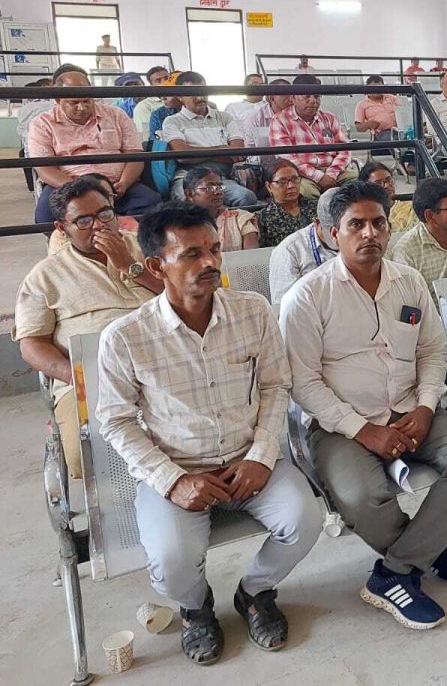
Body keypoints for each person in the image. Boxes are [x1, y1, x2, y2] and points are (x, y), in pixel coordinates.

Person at [95, 203, 320, 664]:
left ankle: (255, 592)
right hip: (177, 467)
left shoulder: (253, 311)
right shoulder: (126, 337)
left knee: (304, 520)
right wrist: (172, 480)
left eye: (214, 249)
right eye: (192, 254)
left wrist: (260, 455)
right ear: (156, 266)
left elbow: (276, 386)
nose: (210, 262)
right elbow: (116, 420)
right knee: (172, 562)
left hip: (247, 460)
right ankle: (196, 607)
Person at [281, 182, 447, 631]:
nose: (369, 234)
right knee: (360, 497)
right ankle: (425, 551)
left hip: (410, 408)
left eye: (378, 223)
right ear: (332, 233)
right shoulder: (307, 296)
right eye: (355, 225)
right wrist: (363, 430)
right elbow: (302, 382)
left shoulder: (408, 281)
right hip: (340, 425)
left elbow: (432, 350)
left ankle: (394, 573)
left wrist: (426, 406)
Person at [14, 178, 161, 478]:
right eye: (83, 220)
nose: (99, 225)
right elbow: (32, 344)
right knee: (85, 458)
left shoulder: (149, 247)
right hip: (91, 377)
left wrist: (129, 265)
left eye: (105, 214)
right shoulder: (45, 275)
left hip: (165, 362)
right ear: (61, 228)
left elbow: (189, 299)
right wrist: (76, 375)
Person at [28, 67, 161, 222]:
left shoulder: (116, 115)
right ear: (58, 100)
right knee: (46, 217)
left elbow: (135, 155)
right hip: (68, 185)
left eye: (87, 101)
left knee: (152, 205)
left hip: (117, 184)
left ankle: (120, 234)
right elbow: (44, 168)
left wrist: (124, 183)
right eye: (74, 102)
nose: (82, 107)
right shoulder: (42, 123)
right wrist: (82, 189)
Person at [162, 73, 257, 207]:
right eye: (193, 93)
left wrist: (198, 154)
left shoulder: (224, 117)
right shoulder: (173, 121)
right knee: (187, 200)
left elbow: (238, 152)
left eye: (204, 91)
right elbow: (182, 155)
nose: (200, 97)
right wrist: (222, 150)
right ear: (180, 97)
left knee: (246, 197)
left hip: (220, 178)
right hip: (188, 177)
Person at [269, 75, 355, 198]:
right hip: (302, 175)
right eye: (307, 96)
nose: (313, 101)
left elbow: (344, 150)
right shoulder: (280, 121)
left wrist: (331, 174)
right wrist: (319, 177)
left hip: (333, 171)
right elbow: (288, 159)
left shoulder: (330, 118)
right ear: (293, 98)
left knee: (357, 184)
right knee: (307, 193)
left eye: (317, 96)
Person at [269, 189, 339, 303]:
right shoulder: (289, 251)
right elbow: (284, 305)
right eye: (333, 232)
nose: (338, 239)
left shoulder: (362, 240)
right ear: (317, 223)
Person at [182, 166, 259, 251]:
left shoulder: (240, 219)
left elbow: (252, 255)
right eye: (209, 188)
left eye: (220, 187)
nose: (218, 192)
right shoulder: (180, 224)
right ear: (189, 194)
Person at [256, 158, 318, 248]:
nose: (291, 185)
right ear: (269, 186)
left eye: (295, 179)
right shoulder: (264, 219)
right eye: (282, 182)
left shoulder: (316, 207)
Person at [359, 161, 417, 235]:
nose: (386, 185)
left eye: (389, 180)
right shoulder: (361, 215)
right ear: (366, 189)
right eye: (378, 183)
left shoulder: (411, 209)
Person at [147, 71, 184, 141]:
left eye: (169, 93)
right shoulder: (158, 115)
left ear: (182, 95)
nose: (163, 97)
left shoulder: (204, 112)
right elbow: (157, 146)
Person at [133, 66, 171, 132]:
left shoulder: (180, 100)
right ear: (151, 85)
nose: (164, 82)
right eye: (158, 81)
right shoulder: (143, 106)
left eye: (167, 78)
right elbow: (146, 133)